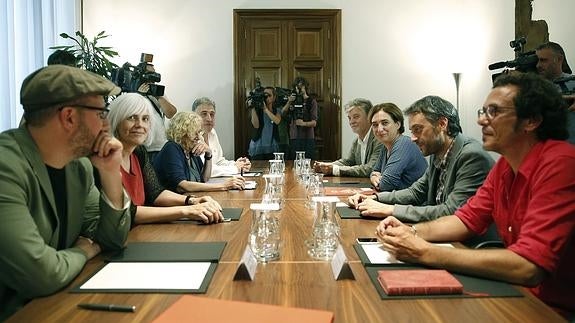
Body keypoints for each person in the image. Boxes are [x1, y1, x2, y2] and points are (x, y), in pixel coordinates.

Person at [375, 72, 575, 319]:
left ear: (531, 120)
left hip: (551, 309)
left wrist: (425, 251)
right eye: (483, 112)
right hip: (514, 292)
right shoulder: (505, 166)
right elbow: (464, 219)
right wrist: (411, 233)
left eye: (494, 112)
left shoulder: (561, 164)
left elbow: (528, 267)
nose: (482, 121)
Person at [0, 65, 131, 320]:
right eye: (101, 114)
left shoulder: (78, 166)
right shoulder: (6, 167)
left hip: (52, 305)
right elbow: (40, 274)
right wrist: (84, 251)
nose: (107, 125)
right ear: (69, 117)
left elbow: (111, 240)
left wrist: (110, 173)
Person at [348, 95, 494, 222]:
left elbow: (451, 212)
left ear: (442, 124)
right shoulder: (437, 154)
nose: (413, 138)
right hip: (440, 232)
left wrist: (390, 210)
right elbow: (415, 192)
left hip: (471, 247)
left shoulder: (471, 156)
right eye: (412, 131)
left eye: (418, 130)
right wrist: (374, 198)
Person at [107, 93, 223, 224]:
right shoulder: (106, 156)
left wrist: (192, 200)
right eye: (132, 118)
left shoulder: (139, 152)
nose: (140, 124)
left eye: (145, 119)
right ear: (116, 121)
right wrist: (187, 210)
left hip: (142, 231)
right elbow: (127, 212)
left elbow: (156, 193)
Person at [154, 111, 245, 192]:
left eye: (199, 132)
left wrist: (208, 153)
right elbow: (182, 186)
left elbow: (204, 178)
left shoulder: (190, 149)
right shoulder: (172, 148)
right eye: (194, 132)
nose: (199, 137)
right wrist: (223, 186)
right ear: (182, 133)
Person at [314, 98, 383, 177]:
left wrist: (335, 169)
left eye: (356, 117)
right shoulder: (356, 141)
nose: (351, 122)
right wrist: (327, 165)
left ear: (370, 117)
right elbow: (348, 161)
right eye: (349, 118)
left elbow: (370, 169)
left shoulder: (379, 139)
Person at [369, 103, 427, 191]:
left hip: (415, 203)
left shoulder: (404, 144)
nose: (379, 129)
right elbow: (375, 170)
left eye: (385, 123)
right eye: (375, 125)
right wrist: (373, 176)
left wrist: (379, 179)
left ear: (398, 124)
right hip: (396, 201)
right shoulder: (385, 146)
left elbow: (387, 185)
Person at [192, 97, 251, 177]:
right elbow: (204, 169)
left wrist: (237, 164)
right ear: (193, 116)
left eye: (212, 114)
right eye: (204, 114)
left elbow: (219, 161)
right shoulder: (191, 137)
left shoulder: (212, 132)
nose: (209, 119)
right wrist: (235, 168)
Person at [536, 41, 575, 144]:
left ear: (559, 59)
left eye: (543, 60)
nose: (538, 65)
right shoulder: (533, 88)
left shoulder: (572, 83)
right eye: (537, 61)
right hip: (545, 152)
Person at [282, 76, 318, 159]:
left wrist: (303, 123)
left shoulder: (311, 101)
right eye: (297, 87)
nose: (298, 89)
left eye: (301, 86)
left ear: (305, 87)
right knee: (294, 163)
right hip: (294, 137)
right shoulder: (292, 100)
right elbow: (283, 113)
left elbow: (314, 122)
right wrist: (289, 102)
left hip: (308, 138)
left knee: (308, 162)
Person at [247, 86, 282, 160]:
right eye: (264, 95)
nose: (266, 97)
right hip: (258, 144)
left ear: (274, 97)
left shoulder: (277, 110)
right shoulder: (257, 110)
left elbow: (277, 121)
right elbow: (256, 125)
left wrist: (266, 110)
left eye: (269, 95)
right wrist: (253, 108)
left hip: (272, 144)